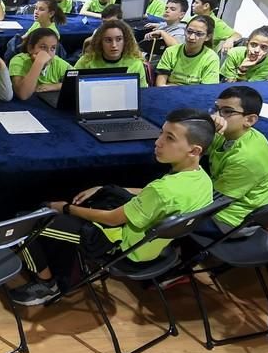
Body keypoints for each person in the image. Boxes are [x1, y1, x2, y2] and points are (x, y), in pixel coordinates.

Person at [11, 109, 215, 304]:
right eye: (161, 133)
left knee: (26, 223)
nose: (158, 142)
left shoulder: (163, 190)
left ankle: (47, 285)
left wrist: (64, 208)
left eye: (170, 138)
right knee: (107, 193)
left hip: (119, 247)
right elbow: (152, 196)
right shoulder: (202, 180)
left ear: (194, 150)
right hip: (154, 246)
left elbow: (112, 218)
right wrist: (104, 187)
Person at [205, 86, 268, 235]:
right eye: (216, 109)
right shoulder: (229, 132)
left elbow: (212, 201)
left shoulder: (247, 158)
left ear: (250, 120)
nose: (217, 117)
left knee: (164, 219)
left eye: (227, 111)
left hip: (232, 221)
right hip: (221, 199)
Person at [74, 19, 149, 87]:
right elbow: (72, 85)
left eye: (119, 39)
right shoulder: (86, 60)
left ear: (125, 41)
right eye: (108, 40)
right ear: (100, 42)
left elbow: (142, 93)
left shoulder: (136, 63)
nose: (114, 45)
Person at [155, 15, 220, 86]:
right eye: (189, 31)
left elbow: (206, 90)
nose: (191, 37)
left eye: (199, 34)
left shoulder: (211, 58)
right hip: (169, 93)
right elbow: (160, 85)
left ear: (208, 37)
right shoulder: (171, 51)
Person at [10, 28, 72, 101]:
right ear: (30, 48)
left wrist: (54, 86)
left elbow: (78, 82)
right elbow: (23, 94)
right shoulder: (18, 61)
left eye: (53, 48)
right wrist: (39, 63)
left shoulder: (58, 62)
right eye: (43, 47)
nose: (48, 53)